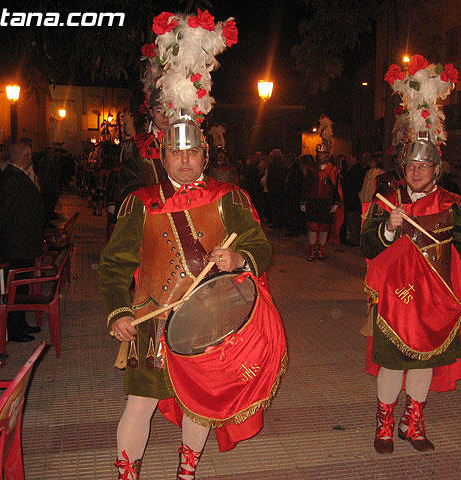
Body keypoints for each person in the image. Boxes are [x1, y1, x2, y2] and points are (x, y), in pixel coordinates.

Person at [99, 12, 285, 480]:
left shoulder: (229, 198)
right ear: (162, 154)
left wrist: (240, 257)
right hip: (151, 323)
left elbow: (259, 245)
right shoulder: (139, 203)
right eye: (176, 153)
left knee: (200, 409)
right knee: (138, 405)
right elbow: (113, 265)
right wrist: (119, 312)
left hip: (207, 320)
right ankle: (128, 474)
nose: (184, 161)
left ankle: (187, 473)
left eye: (193, 153)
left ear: (205, 154)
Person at [363, 56, 461, 455]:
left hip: (435, 300)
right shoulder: (386, 201)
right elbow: (367, 246)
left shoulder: (452, 204)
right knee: (392, 363)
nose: (416, 171)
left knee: (424, 364)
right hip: (392, 302)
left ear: (436, 169)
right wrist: (390, 227)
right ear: (404, 166)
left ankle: (413, 423)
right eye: (411, 164)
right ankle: (383, 423)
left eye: (424, 165)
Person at [0, 143, 44, 342]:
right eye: (30, 154)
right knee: (14, 288)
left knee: (20, 288)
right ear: (25, 156)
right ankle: (14, 329)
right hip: (16, 243)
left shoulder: (18, 175)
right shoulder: (11, 178)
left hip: (24, 242)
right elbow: (5, 211)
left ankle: (20, 323)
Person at [300, 143, 340, 260]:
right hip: (312, 202)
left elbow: (336, 187)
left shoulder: (332, 170)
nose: (320, 155)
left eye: (323, 153)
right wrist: (303, 202)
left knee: (324, 227)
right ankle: (312, 249)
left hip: (326, 202)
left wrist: (336, 202)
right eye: (319, 153)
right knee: (312, 227)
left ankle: (322, 249)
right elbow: (306, 186)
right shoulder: (311, 169)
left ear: (327, 154)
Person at [341, 153, 365, 245]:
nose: (348, 160)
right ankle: (350, 237)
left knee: (354, 220)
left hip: (353, 198)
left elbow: (356, 185)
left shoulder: (358, 170)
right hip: (348, 198)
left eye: (349, 158)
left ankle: (355, 239)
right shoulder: (348, 169)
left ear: (355, 159)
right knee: (349, 220)